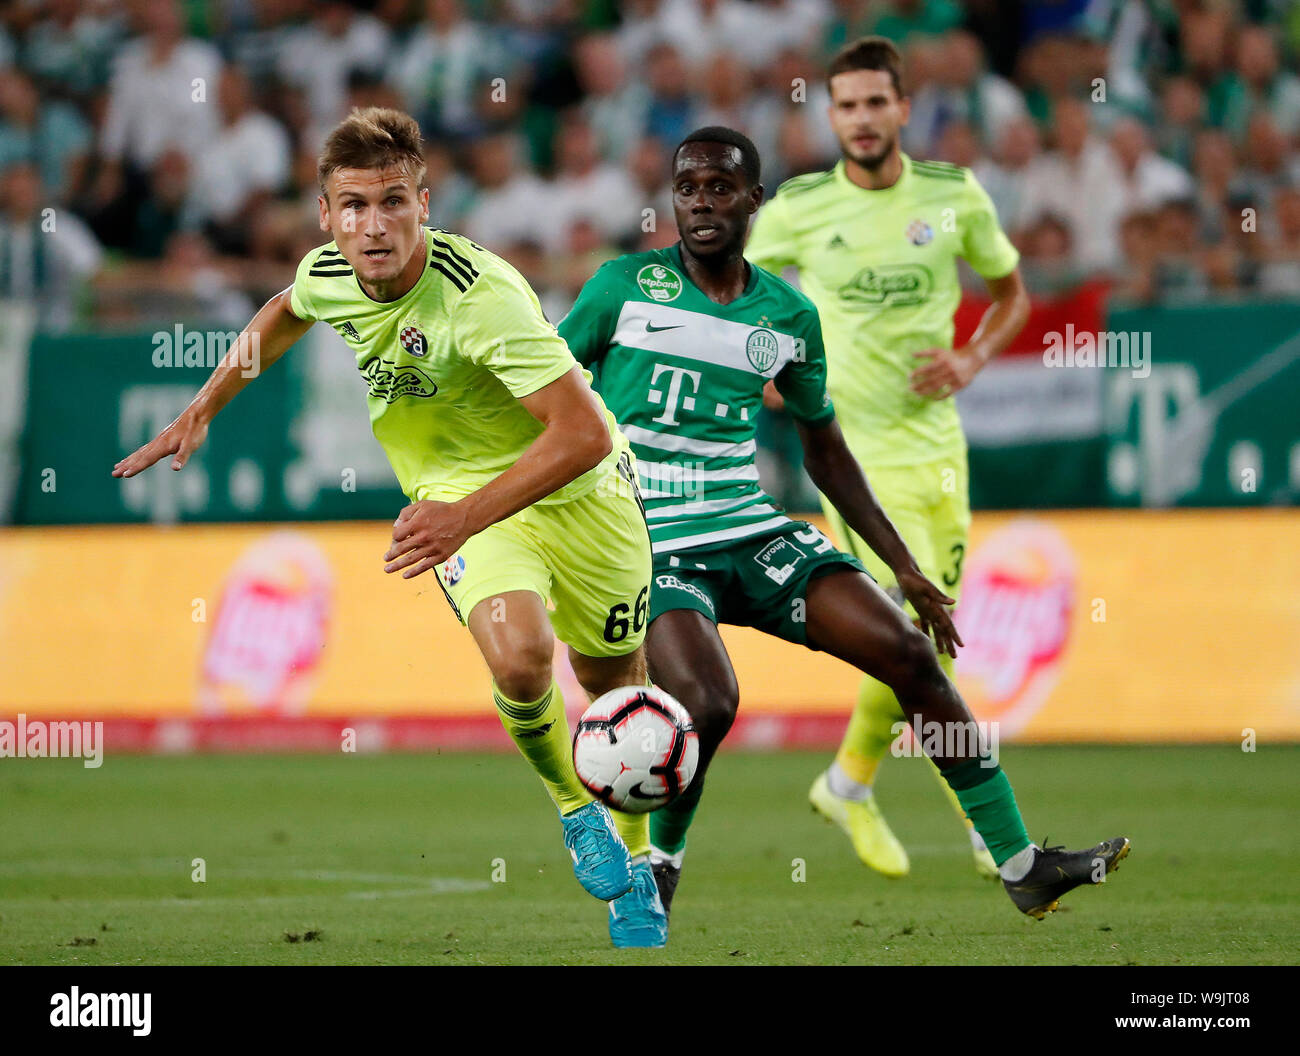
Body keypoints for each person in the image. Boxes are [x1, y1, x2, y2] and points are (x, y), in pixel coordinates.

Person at [559, 124, 1129, 938]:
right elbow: (546, 391)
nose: (702, 203)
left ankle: (1020, 867)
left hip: (751, 529)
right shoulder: (621, 287)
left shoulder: (787, 314)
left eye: (721, 187)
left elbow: (825, 449)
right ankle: (660, 870)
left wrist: (904, 568)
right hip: (655, 537)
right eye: (687, 188)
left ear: (754, 201)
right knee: (710, 703)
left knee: (906, 651)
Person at [112, 107, 664, 948]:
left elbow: (582, 434)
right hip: (461, 496)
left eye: (394, 202)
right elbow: (285, 309)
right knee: (520, 660)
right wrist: (205, 406)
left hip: (579, 488)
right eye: (355, 206)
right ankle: (572, 812)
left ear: (425, 205)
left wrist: (460, 520)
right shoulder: (330, 269)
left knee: (618, 690)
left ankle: (638, 867)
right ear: (326, 215)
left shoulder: (483, 298)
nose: (375, 225)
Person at [746, 36, 1031, 879]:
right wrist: (770, 375)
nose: (862, 119)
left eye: (877, 102)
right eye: (847, 105)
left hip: (938, 447)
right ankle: (986, 827)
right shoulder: (798, 206)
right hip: (852, 458)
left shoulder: (954, 196)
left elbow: (1012, 293)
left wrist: (973, 358)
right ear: (830, 115)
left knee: (930, 641)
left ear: (904, 109)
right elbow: (730, 299)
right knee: (911, 627)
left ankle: (848, 783)